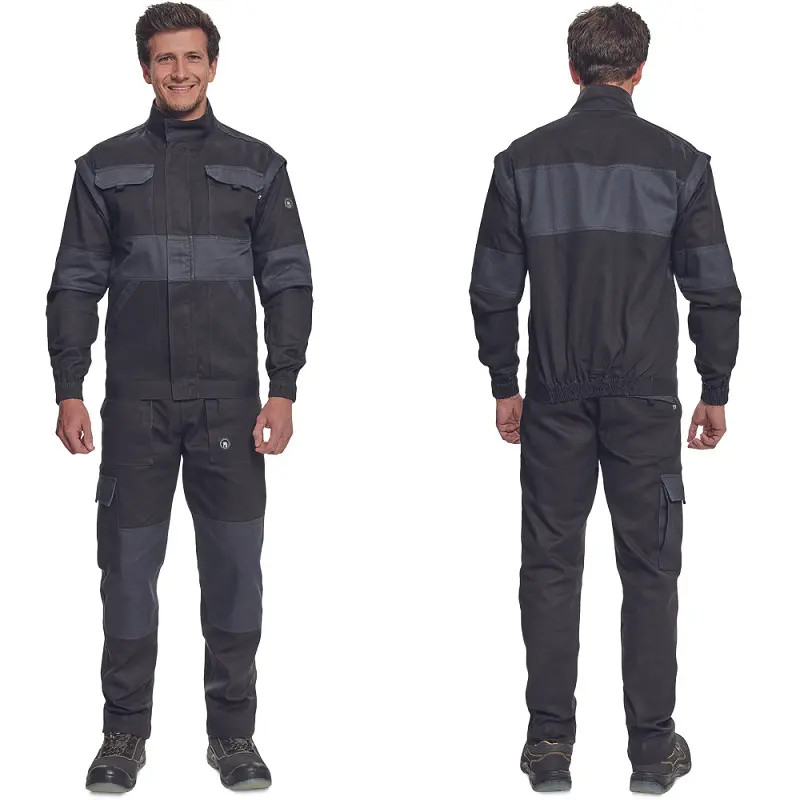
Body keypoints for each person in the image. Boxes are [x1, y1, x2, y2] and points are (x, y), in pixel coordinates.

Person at [469, 3, 740, 794]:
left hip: (553, 396)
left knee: (550, 567)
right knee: (651, 571)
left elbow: (491, 289)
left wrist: (505, 382)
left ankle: (549, 746)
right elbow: (713, 288)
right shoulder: (681, 165)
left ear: (572, 69)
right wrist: (715, 386)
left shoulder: (522, 163)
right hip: (645, 401)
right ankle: (652, 753)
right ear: (640, 71)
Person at [46, 2, 312, 792]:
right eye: (165, 58)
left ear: (214, 66)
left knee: (233, 575)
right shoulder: (103, 168)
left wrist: (284, 388)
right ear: (145, 69)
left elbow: (288, 282)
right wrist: (69, 388)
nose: (180, 71)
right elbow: (74, 283)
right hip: (135, 409)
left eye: (193, 57)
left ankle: (233, 737)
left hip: (231, 406)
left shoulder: (260, 166)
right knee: (127, 576)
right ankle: (123, 735)